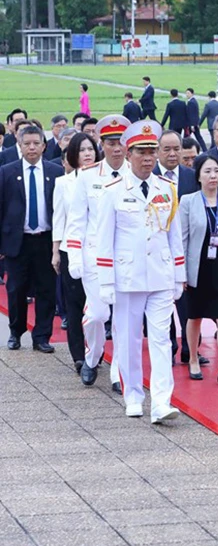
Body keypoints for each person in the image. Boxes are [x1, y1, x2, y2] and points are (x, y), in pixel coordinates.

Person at [96, 120, 184, 423]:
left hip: (160, 275)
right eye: (141, 152)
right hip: (127, 277)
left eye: (151, 151)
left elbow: (174, 235)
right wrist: (106, 281)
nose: (148, 158)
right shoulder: (112, 191)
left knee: (162, 339)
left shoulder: (167, 188)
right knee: (130, 339)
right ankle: (133, 394)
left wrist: (179, 275)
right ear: (128, 153)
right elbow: (103, 239)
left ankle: (161, 402)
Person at [66, 115, 131, 391]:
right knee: (96, 315)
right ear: (102, 144)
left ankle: (118, 371)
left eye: (121, 143)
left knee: (124, 317)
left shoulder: (136, 173)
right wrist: (74, 255)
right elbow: (77, 219)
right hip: (95, 259)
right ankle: (93, 357)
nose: (116, 148)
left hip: (127, 258)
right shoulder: (88, 175)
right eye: (111, 143)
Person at [0, 125, 65, 353]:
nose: (31, 147)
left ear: (43, 145)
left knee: (46, 289)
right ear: (19, 145)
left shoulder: (55, 172)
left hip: (46, 240)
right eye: (26, 143)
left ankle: (41, 336)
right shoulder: (6, 172)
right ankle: (16, 332)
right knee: (16, 289)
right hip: (18, 241)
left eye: (36, 143)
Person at [181, 155, 218, 386]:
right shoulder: (188, 201)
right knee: (194, 316)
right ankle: (193, 358)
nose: (213, 175)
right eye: (207, 171)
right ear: (198, 176)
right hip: (198, 267)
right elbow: (183, 239)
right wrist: (181, 272)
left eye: (216, 171)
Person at [153, 130, 203, 366]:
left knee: (190, 304)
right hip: (158, 251)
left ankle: (191, 350)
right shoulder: (148, 177)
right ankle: (169, 346)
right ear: (157, 151)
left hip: (188, 251)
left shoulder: (192, 177)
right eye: (167, 149)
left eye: (177, 149)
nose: (173, 154)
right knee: (161, 304)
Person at [52, 133, 99, 372]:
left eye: (90, 149)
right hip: (71, 249)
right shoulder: (64, 183)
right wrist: (56, 251)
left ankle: (96, 351)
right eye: (82, 150)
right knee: (74, 303)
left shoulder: (105, 180)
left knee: (97, 306)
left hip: (99, 251)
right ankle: (79, 355)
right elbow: (59, 218)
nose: (87, 154)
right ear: (73, 155)